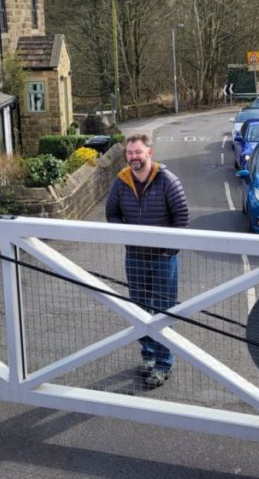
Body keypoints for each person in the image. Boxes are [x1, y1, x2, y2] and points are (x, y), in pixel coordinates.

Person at [105, 134, 189, 388]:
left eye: (138, 152)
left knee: (163, 311)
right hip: (135, 257)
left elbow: (182, 217)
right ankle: (148, 356)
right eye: (130, 153)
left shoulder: (167, 180)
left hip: (163, 259)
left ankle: (164, 364)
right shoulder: (121, 182)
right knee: (139, 309)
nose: (134, 157)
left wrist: (168, 249)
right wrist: (129, 235)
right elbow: (112, 214)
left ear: (150, 152)